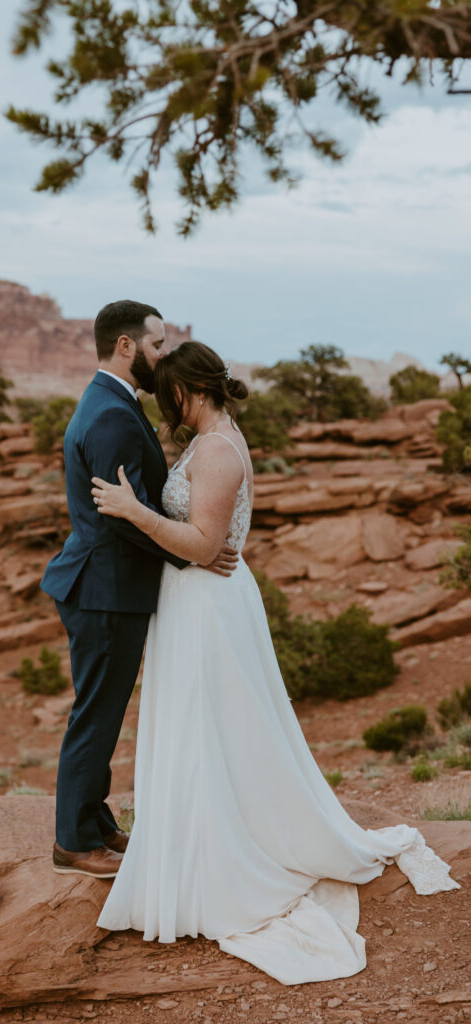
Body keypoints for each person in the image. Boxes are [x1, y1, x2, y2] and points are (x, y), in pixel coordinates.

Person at [90, 340, 461, 985]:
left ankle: (224, 858)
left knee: (211, 727)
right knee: (203, 726)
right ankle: (194, 846)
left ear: (190, 390)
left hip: (207, 605)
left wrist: (133, 511)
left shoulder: (218, 451)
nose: (165, 408)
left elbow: (206, 545)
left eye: (168, 396)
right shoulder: (212, 440)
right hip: (195, 602)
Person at [40, 303, 239, 880]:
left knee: (101, 710)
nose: (163, 355)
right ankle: (74, 843)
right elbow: (123, 517)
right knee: (97, 714)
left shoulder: (111, 405)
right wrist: (194, 551)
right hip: (105, 588)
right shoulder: (110, 416)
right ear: (126, 347)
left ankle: (95, 822)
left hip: (109, 585)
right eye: (156, 345)